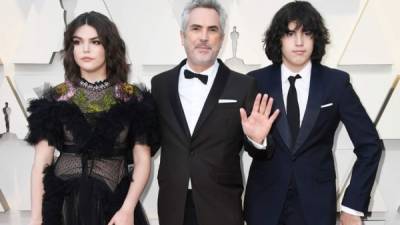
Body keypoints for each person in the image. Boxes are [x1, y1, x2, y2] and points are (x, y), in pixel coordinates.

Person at [244, 2, 383, 225]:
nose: (299, 42)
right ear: (278, 39)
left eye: (307, 33)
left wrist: (352, 206)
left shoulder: (335, 83)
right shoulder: (255, 81)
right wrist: (256, 140)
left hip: (316, 208)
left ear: (316, 38)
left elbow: (370, 145)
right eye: (290, 33)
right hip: (264, 206)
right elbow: (248, 148)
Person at [151, 1, 279, 225]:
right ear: (182, 36)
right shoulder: (160, 85)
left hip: (222, 207)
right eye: (196, 28)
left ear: (221, 38)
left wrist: (257, 140)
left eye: (212, 30)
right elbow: (150, 142)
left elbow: (262, 154)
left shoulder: (243, 86)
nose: (204, 37)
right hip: (173, 206)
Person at [26, 11, 159, 225]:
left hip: (114, 207)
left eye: (95, 42)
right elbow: (41, 161)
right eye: (77, 42)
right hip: (62, 208)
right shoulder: (56, 97)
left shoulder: (132, 97)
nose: (85, 49)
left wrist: (127, 210)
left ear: (109, 46)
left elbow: (143, 161)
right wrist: (35, 218)